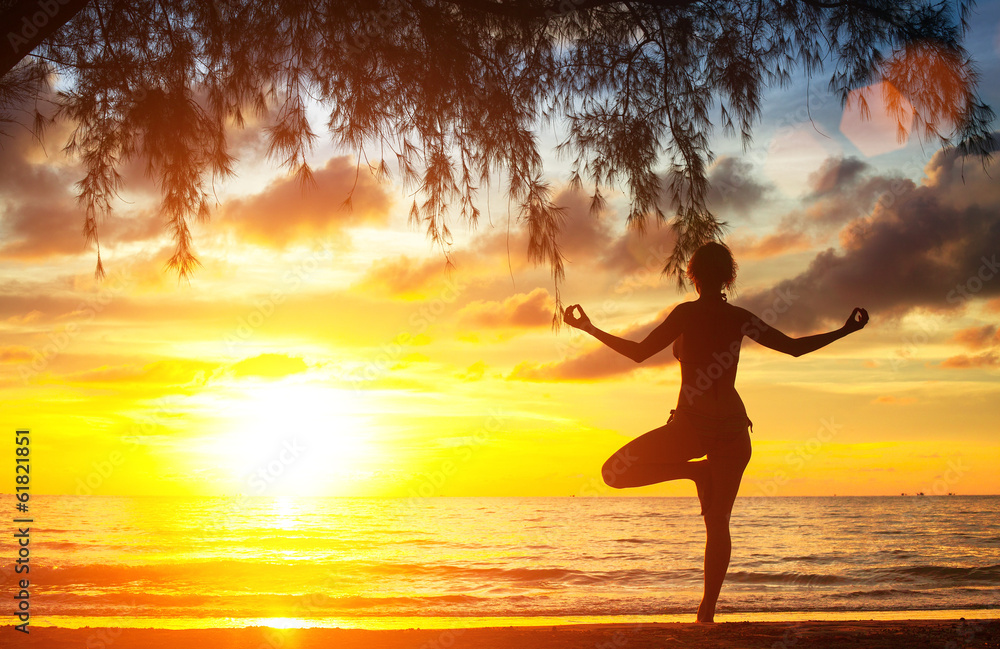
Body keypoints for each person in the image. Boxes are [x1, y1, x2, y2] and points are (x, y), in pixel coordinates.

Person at [563, 241, 869, 623]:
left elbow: (639, 353)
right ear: (729, 276)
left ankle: (694, 473)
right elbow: (793, 349)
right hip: (733, 431)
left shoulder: (686, 313)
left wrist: (589, 327)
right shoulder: (738, 317)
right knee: (718, 523)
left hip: (693, 426)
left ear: (692, 275)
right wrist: (844, 331)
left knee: (613, 472)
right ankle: (706, 611)